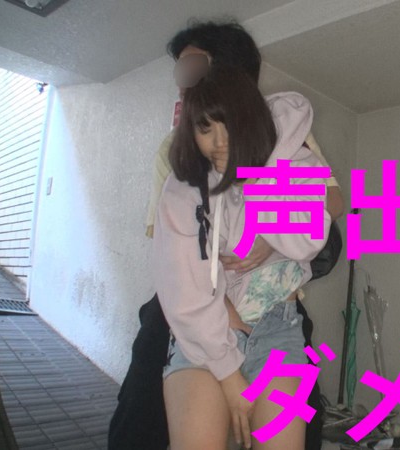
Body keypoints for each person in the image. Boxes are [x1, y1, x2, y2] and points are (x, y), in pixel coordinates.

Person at [108, 20, 341, 450]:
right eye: (181, 71)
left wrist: (267, 232)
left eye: (194, 67)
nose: (185, 82)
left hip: (278, 310)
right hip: (196, 305)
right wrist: (223, 331)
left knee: (303, 428)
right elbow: (178, 261)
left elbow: (327, 218)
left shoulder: (290, 140)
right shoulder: (176, 156)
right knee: (137, 419)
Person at [154, 64, 328, 449]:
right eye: (205, 129)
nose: (218, 142)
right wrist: (229, 374)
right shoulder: (183, 188)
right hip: (207, 333)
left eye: (229, 125)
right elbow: (184, 288)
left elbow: (309, 239)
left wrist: (257, 177)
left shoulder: (296, 161)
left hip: (279, 329)